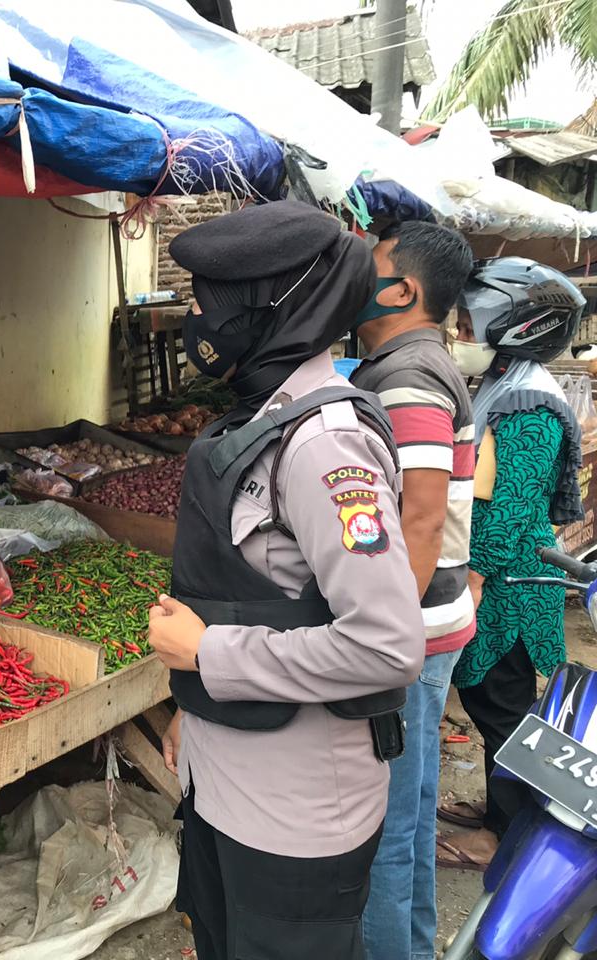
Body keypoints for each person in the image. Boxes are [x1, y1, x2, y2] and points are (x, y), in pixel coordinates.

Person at [153, 200, 425, 960]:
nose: (198, 318)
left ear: (275, 306)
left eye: (211, 301)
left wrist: (211, 657)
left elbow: (386, 646)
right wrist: (198, 705)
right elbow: (260, 595)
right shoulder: (259, 419)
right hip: (225, 785)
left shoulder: (323, 444)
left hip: (297, 818)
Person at [349, 222, 475, 960]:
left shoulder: (408, 378)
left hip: (410, 637)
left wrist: (378, 646)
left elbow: (419, 522)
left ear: (402, 290)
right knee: (413, 814)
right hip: (430, 627)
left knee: (385, 832)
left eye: (370, 268)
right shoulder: (410, 364)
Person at [435, 257, 586, 869]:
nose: (459, 335)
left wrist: (468, 585)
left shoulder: (531, 406)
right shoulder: (507, 380)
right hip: (498, 576)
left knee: (505, 710)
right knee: (493, 705)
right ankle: (499, 811)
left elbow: (508, 513)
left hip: (510, 587)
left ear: (516, 327)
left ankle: (504, 836)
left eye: (469, 325)